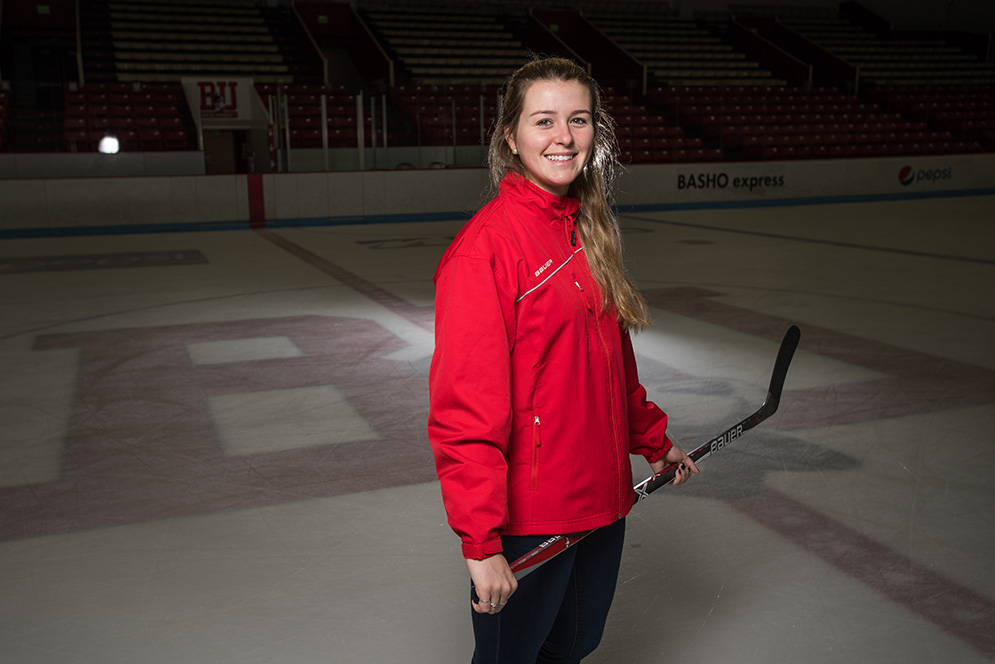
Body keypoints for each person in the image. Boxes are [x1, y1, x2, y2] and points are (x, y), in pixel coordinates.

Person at [427, 57, 699, 664]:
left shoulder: (583, 232)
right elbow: (465, 410)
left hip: (603, 498)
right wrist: (480, 542)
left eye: (578, 120)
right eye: (543, 120)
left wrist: (653, 441)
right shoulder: (485, 252)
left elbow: (610, 367)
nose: (563, 137)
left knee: (574, 645)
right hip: (535, 512)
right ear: (511, 136)